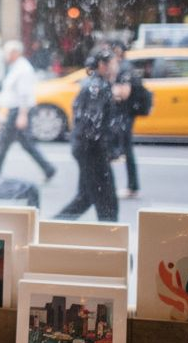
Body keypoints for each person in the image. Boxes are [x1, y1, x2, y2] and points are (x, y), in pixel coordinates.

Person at [55, 49, 128, 222]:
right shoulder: (96, 87)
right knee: (107, 201)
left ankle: (51, 226)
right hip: (92, 152)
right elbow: (92, 125)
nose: (117, 66)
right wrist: (105, 150)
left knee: (86, 197)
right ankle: (111, 241)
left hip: (88, 150)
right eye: (114, 63)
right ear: (103, 65)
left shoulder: (97, 84)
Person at [0, 40, 57, 182]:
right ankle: (48, 168)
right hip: (15, 111)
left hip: (18, 111)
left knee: (3, 144)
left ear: (15, 53)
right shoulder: (16, 67)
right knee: (24, 144)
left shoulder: (23, 69)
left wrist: (22, 115)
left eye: (8, 52)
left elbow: (24, 95)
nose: (6, 55)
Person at [109, 40, 152, 198]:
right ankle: (130, 186)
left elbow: (124, 93)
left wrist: (109, 91)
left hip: (124, 114)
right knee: (123, 149)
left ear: (118, 51)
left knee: (125, 150)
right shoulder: (124, 66)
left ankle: (132, 187)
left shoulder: (125, 68)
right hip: (123, 114)